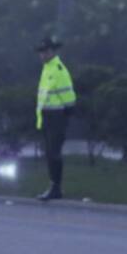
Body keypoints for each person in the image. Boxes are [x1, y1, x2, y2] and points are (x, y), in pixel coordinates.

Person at [34, 36, 76, 202]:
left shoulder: (58, 69)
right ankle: (53, 186)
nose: (43, 54)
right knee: (50, 153)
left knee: (54, 153)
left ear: (53, 51)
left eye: (46, 51)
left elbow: (68, 96)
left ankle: (56, 187)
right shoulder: (47, 68)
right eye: (41, 52)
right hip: (47, 116)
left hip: (57, 116)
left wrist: (66, 114)